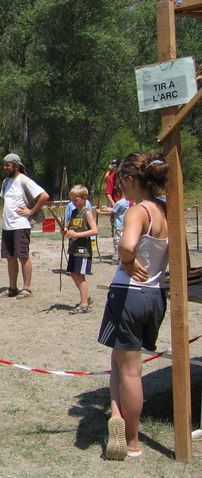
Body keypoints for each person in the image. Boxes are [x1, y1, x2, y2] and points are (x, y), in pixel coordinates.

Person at [97, 152, 168, 460]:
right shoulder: (166, 209)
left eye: (120, 183)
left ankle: (132, 441)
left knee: (129, 370)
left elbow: (127, 245)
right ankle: (116, 413)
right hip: (155, 295)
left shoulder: (138, 210)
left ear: (130, 180)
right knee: (120, 361)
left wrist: (128, 261)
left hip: (128, 295)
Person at [0, 153, 49, 299]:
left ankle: (26, 288)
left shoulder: (24, 181)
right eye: (4, 164)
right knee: (10, 257)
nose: (5, 167)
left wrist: (31, 211)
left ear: (16, 165)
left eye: (8, 165)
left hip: (21, 225)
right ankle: (12, 287)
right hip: (7, 225)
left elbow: (44, 196)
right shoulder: (5, 182)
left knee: (23, 256)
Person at [64, 185, 98, 314]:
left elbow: (95, 230)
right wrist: (66, 230)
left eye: (76, 200)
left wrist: (77, 235)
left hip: (83, 249)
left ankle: (84, 304)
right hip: (73, 248)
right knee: (73, 273)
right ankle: (86, 297)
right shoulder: (74, 212)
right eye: (71, 200)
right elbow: (71, 227)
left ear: (84, 198)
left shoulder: (87, 212)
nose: (73, 202)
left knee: (80, 274)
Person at [98, 186, 131, 264]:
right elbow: (114, 209)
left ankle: (117, 258)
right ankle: (123, 257)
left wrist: (100, 212)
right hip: (124, 225)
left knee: (117, 241)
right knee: (122, 241)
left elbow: (112, 212)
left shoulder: (119, 203)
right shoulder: (127, 201)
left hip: (118, 225)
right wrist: (104, 209)